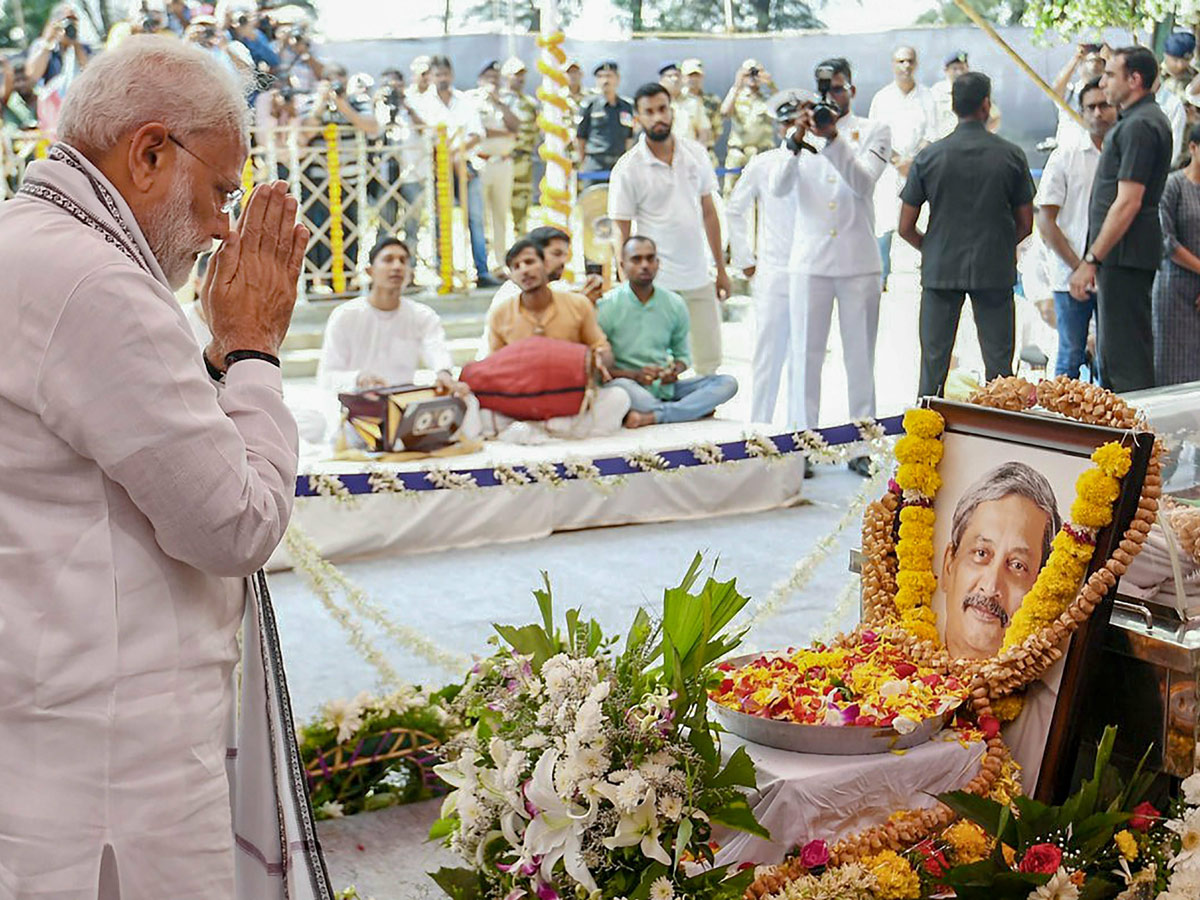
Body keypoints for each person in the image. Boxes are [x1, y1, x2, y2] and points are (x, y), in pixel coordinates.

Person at [0, 34, 328, 898]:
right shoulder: (96, 285)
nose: (225, 224)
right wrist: (254, 350)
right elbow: (235, 524)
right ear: (148, 152)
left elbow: (135, 454)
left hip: (49, 726)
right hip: (114, 761)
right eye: (222, 191)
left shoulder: (24, 243)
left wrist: (219, 361)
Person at [770, 60, 891, 478]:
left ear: (852, 91)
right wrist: (795, 140)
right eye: (826, 91)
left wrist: (833, 137)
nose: (833, 98)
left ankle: (862, 443)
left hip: (858, 262)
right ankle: (802, 442)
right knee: (804, 356)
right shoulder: (798, 132)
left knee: (860, 357)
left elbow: (862, 184)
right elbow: (778, 188)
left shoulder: (873, 130)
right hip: (810, 262)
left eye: (839, 89)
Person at [899, 71, 1035, 398]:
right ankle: (1000, 439)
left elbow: (904, 226)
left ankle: (927, 440)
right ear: (986, 105)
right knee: (1000, 367)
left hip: (940, 270)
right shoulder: (1011, 155)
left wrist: (932, 248)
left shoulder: (929, 156)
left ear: (954, 106)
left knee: (933, 364)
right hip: (994, 269)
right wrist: (1000, 247)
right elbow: (1026, 223)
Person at [1068, 46, 1173, 394]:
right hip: (1122, 255)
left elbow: (1128, 202)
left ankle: (1137, 447)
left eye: (1111, 74)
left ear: (1135, 79)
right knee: (1112, 360)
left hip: (1125, 254)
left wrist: (1091, 260)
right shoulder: (1135, 121)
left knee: (1126, 364)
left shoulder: (1141, 125)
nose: (1103, 80)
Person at [609, 82, 731, 375]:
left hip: (698, 273)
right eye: (649, 112)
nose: (657, 117)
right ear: (637, 119)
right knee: (655, 366)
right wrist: (626, 278)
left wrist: (722, 269)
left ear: (671, 111)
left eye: (662, 109)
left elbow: (709, 213)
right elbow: (620, 229)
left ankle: (699, 406)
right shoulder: (628, 168)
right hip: (654, 279)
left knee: (710, 366)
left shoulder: (696, 153)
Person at [484, 239, 631, 440]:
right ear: (512, 277)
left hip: (571, 396)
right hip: (525, 400)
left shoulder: (577, 304)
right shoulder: (500, 314)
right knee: (480, 410)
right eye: (516, 267)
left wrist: (598, 359)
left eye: (529, 262)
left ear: (545, 265)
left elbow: (602, 348)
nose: (524, 270)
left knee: (618, 397)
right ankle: (557, 430)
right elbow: (496, 365)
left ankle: (542, 431)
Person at [601, 236, 739, 427]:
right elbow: (599, 369)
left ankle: (654, 416)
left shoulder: (674, 303)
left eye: (650, 259)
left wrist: (673, 371)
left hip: (666, 388)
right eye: (637, 259)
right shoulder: (607, 306)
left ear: (658, 263)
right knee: (620, 389)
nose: (645, 265)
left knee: (727, 383)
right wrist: (635, 375)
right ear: (622, 264)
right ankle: (687, 410)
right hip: (629, 386)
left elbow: (683, 357)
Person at [726, 95, 801, 425]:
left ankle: (801, 435)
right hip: (773, 270)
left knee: (804, 360)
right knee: (768, 357)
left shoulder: (820, 162)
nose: (791, 129)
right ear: (777, 127)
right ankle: (760, 434)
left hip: (812, 272)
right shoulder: (764, 163)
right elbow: (734, 208)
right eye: (785, 123)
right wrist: (745, 259)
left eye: (797, 121)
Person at [1036, 78, 1116, 381]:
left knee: (1111, 358)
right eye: (1090, 107)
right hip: (1069, 275)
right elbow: (1045, 220)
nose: (1098, 113)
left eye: (1104, 105)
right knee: (1070, 355)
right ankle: (1061, 427)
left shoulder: (1123, 154)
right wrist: (1080, 267)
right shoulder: (1065, 155)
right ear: (1081, 113)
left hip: (1114, 272)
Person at [941, 462, 1061, 660]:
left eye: (1017, 565)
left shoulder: (1057, 689)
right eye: (981, 553)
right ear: (948, 566)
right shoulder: (883, 658)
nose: (990, 587)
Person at [415, 55, 497, 288]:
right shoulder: (423, 104)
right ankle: (444, 271)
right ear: (431, 76)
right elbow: (427, 137)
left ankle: (481, 270)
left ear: (452, 75)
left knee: (476, 219)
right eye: (438, 75)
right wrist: (449, 160)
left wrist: (452, 156)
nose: (442, 79)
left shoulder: (464, 100)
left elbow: (476, 134)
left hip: (466, 167)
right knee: (441, 220)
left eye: (445, 74)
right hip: (437, 171)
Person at [300, 62, 381, 291]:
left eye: (339, 78)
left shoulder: (358, 101)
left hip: (350, 177)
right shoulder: (311, 102)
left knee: (351, 227)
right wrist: (321, 102)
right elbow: (305, 133)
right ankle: (323, 279)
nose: (335, 83)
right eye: (329, 79)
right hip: (318, 179)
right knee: (320, 228)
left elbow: (371, 126)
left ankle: (346, 278)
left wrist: (342, 105)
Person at [870, 45, 936, 292]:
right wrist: (898, 161)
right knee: (885, 221)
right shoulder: (882, 98)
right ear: (892, 64)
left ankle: (927, 270)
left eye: (909, 61)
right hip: (889, 170)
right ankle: (882, 276)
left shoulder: (926, 97)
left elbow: (931, 134)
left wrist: (913, 163)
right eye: (900, 61)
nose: (905, 66)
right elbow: (876, 136)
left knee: (923, 219)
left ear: (916, 64)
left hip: (920, 170)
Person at [1153, 124, 1200, 386]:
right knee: (1172, 370)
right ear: (1192, 147)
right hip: (1175, 290)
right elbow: (1166, 242)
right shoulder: (1173, 185)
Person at [470, 59, 521, 276]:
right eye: (489, 77)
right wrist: (506, 133)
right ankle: (480, 264)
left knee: (501, 214)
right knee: (478, 216)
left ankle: (500, 262)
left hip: (504, 162)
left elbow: (517, 126)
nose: (493, 82)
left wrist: (499, 103)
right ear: (480, 79)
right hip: (481, 161)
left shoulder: (507, 99)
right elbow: (481, 130)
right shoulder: (471, 99)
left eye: (496, 78)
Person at [372, 67, 428, 247]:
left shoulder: (414, 103)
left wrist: (407, 107)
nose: (392, 89)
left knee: (412, 224)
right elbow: (372, 135)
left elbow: (425, 130)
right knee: (386, 223)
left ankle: (410, 266)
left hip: (412, 172)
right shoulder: (378, 107)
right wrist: (376, 103)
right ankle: (383, 261)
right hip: (386, 173)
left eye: (395, 84)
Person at [721, 58, 776, 194]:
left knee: (766, 194)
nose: (753, 77)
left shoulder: (768, 98)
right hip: (739, 153)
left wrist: (771, 84)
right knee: (731, 194)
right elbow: (724, 113)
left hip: (763, 153)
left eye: (756, 72)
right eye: (749, 73)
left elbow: (783, 108)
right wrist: (737, 85)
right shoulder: (736, 96)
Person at [575, 60, 635, 181]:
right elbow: (580, 137)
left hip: (619, 162)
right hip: (595, 163)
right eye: (600, 76)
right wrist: (582, 162)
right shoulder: (589, 105)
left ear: (617, 79)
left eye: (609, 76)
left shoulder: (626, 107)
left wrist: (627, 162)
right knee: (593, 198)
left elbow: (629, 137)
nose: (605, 80)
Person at [500, 57, 540, 236]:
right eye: (516, 75)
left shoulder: (530, 103)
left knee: (521, 202)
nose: (520, 79)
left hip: (522, 159)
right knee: (498, 203)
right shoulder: (497, 100)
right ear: (506, 76)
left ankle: (520, 238)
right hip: (500, 159)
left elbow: (536, 131)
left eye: (522, 75)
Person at [930, 50, 1000, 139]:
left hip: (972, 142)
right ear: (946, 70)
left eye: (962, 68)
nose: (959, 73)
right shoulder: (936, 92)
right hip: (943, 143)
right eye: (955, 69)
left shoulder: (977, 89)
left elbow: (995, 116)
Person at [1052, 42, 1109, 151]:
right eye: (1090, 61)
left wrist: (1110, 57)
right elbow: (1055, 90)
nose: (1095, 65)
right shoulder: (1071, 91)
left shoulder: (1109, 93)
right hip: (1070, 153)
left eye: (1099, 61)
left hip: (1099, 152)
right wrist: (1076, 58)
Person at [681, 58, 722, 163]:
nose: (694, 79)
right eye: (690, 75)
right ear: (683, 77)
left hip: (707, 154)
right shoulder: (677, 101)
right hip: (682, 155)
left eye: (697, 75)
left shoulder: (712, 101)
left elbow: (717, 129)